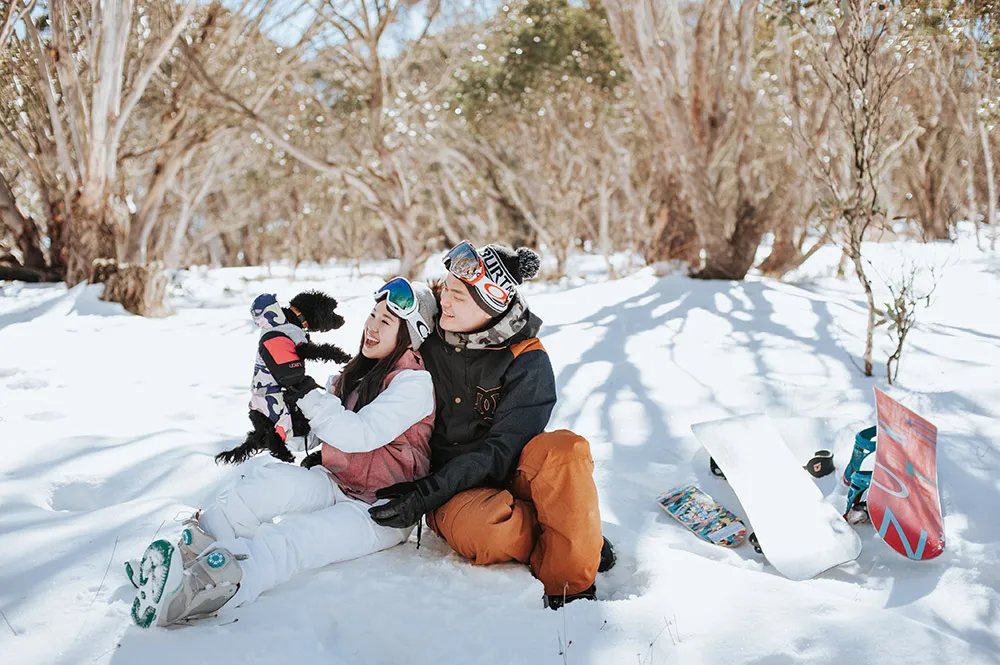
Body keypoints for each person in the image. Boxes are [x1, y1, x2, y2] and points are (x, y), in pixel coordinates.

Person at [129, 277, 439, 628]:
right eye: (372, 314)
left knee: (295, 538)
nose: (372, 326)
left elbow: (358, 434)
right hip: (337, 481)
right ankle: (184, 558)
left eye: (386, 321)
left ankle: (203, 589)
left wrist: (302, 386)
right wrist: (278, 417)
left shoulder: (414, 384)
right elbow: (317, 432)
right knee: (260, 486)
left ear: (411, 335)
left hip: (382, 509)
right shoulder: (353, 375)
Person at [367, 241, 615, 609]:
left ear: (491, 305)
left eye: (458, 297)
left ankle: (571, 587)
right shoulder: (427, 336)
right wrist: (341, 450)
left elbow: (504, 449)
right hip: (453, 491)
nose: (445, 301)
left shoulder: (526, 358)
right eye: (446, 289)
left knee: (567, 450)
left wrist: (425, 493)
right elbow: (378, 377)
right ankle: (574, 534)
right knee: (489, 533)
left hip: (509, 470)